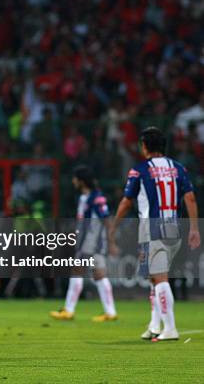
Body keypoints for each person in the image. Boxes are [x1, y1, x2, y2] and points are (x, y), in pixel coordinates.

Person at [110, 127, 200, 341]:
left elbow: (126, 202)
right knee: (154, 278)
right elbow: (190, 199)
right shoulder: (179, 168)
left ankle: (170, 328)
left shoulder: (139, 171)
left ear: (144, 146)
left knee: (159, 279)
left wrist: (113, 226)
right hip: (175, 229)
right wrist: (195, 228)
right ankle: (154, 324)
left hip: (151, 230)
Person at [50, 166, 118, 322]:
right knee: (99, 274)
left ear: (81, 181)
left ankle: (69, 310)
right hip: (90, 241)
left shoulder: (95, 198)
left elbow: (106, 220)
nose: (73, 181)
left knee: (77, 271)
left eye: (75, 178)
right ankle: (110, 311)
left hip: (90, 242)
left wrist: (111, 242)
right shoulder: (85, 197)